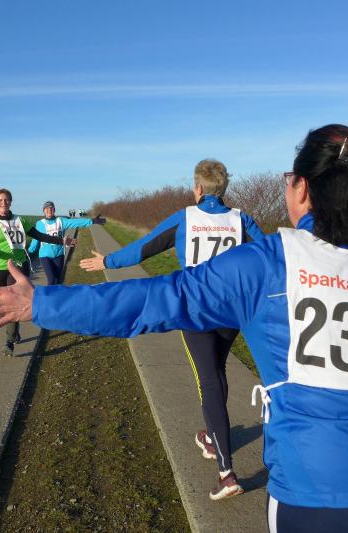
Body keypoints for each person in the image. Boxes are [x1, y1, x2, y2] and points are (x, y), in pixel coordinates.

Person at [0, 125, 348, 532]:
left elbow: (150, 301)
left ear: (302, 189)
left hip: (317, 491)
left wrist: (43, 304)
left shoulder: (269, 264)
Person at [80, 158, 266, 500]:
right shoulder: (241, 219)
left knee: (208, 379)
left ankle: (226, 473)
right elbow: (267, 257)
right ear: (224, 188)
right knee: (217, 371)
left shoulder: (186, 217)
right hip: (231, 313)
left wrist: (107, 261)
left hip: (195, 311)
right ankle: (210, 437)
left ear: (197, 188)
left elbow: (144, 248)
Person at [0, 188, 75, 356]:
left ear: (10, 202)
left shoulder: (20, 221)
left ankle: (9, 341)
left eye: (6, 199)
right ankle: (14, 332)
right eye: (0, 200)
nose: (3, 202)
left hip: (18, 267)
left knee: (12, 302)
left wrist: (62, 240)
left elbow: (40, 236)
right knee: (4, 305)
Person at [28, 201, 105, 286]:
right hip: (45, 256)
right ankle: (49, 294)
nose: (49, 210)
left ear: (54, 210)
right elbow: (36, 238)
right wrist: (29, 251)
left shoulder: (60, 221)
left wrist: (91, 221)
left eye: (51, 208)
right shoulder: (40, 224)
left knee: (58, 280)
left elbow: (75, 222)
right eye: (46, 208)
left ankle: (58, 294)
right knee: (51, 279)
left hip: (59, 255)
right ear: (43, 210)